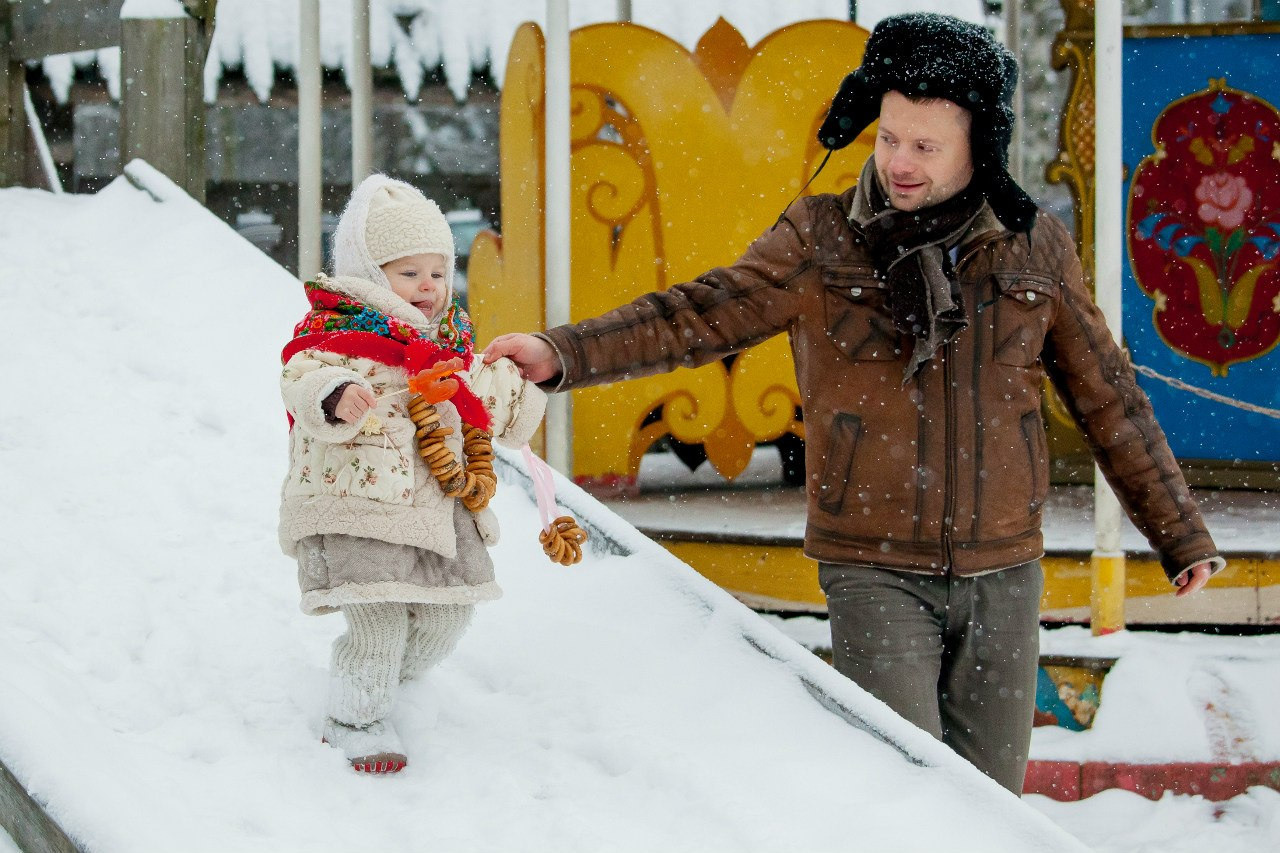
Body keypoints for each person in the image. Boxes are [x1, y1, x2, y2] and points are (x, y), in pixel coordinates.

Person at [482, 13, 1223, 794]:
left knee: (991, 805)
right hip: (874, 567)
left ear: (981, 146)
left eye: (925, 146)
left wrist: (1181, 532)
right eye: (888, 138)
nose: (899, 162)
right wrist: (561, 352)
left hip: (1005, 570)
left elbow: (1110, 394)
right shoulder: (822, 237)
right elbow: (696, 313)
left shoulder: (1031, 242)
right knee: (905, 795)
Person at [279, 174, 546, 773]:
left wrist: (520, 387)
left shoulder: (449, 345)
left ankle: (390, 683)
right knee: (376, 618)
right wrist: (334, 393)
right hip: (359, 508)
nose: (427, 286)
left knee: (450, 613)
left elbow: (487, 404)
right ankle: (355, 720)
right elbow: (300, 378)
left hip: (436, 513)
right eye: (408, 273)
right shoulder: (337, 335)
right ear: (372, 276)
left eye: (436, 271)